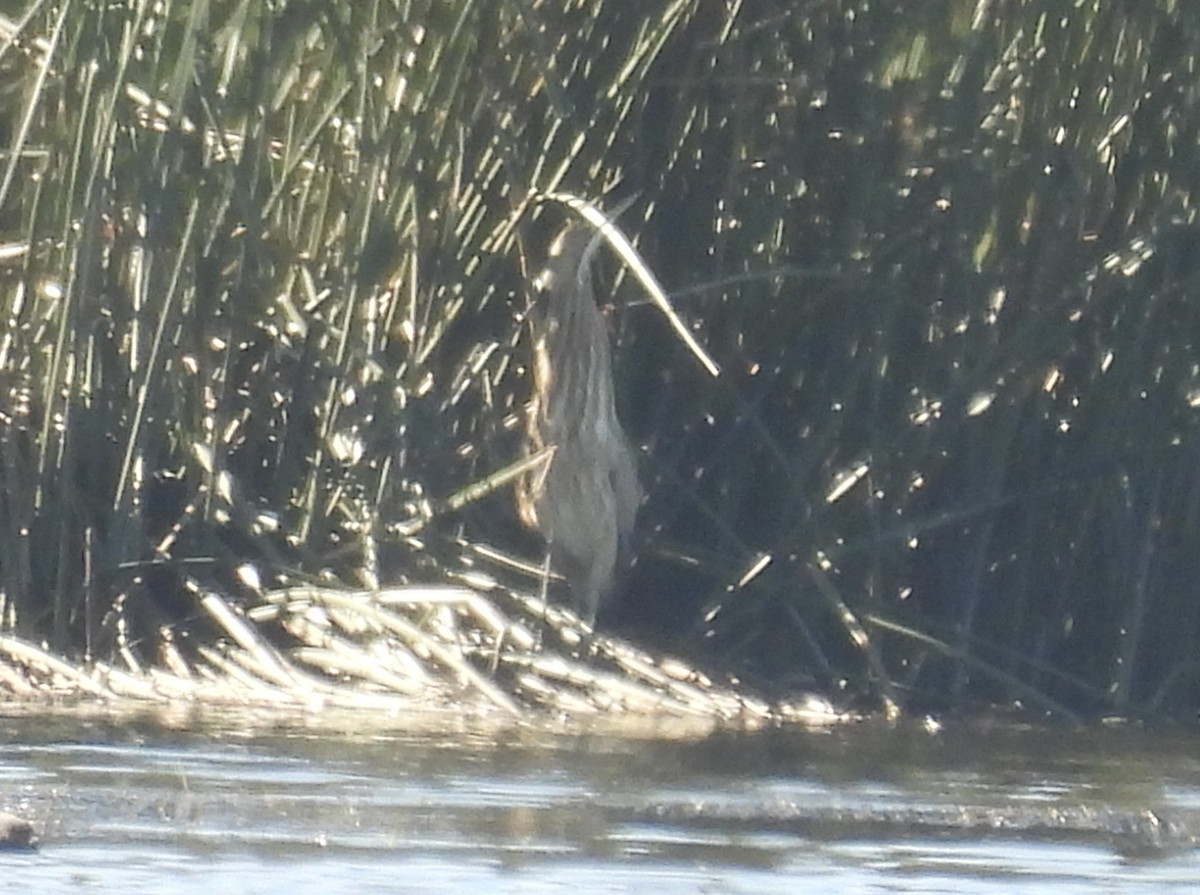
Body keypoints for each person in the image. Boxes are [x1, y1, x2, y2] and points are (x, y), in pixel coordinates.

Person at [516, 221, 641, 623]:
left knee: (591, 591)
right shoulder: (552, 341)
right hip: (554, 515)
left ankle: (587, 622)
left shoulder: (590, 333)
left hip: (602, 539)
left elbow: (622, 493)